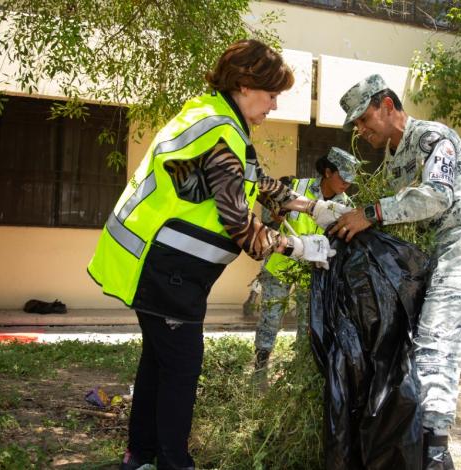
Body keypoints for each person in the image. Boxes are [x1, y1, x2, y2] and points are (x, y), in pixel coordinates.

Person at [87, 39, 337, 470]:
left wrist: (312, 206)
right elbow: (240, 224)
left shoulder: (219, 119)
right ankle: (172, 462)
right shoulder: (219, 132)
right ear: (244, 84)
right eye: (271, 94)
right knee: (181, 368)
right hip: (163, 269)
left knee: (159, 362)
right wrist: (298, 246)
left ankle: (140, 456)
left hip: (159, 265)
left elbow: (254, 181)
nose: (274, 105)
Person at [328, 74, 461, 470]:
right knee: (418, 356)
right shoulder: (394, 160)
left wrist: (372, 214)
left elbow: (436, 197)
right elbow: (388, 213)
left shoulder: (431, 139)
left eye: (363, 119)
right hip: (438, 263)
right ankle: (428, 450)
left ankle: (434, 456)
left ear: (387, 106)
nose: (360, 130)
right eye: (355, 124)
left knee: (433, 356)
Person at [253, 148, 360, 372]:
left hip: (312, 273)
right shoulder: (295, 187)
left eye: (350, 181)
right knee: (270, 320)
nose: (346, 185)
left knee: (307, 326)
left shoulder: (345, 206)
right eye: (343, 178)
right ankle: (260, 370)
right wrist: (274, 218)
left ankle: (298, 372)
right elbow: (267, 224)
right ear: (328, 172)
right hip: (279, 266)